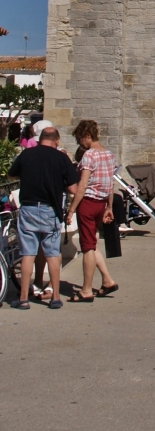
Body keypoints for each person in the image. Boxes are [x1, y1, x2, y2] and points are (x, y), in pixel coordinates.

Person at [7, 124, 78, 309]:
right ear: (57, 140)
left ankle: (23, 298)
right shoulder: (61, 158)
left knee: (28, 254)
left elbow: (10, 175)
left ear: (39, 139)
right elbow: (73, 188)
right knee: (53, 253)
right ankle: (55, 297)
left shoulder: (26, 155)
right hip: (50, 210)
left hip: (29, 207)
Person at [65, 120, 118, 301]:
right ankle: (107, 280)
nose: (80, 142)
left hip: (88, 203)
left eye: (80, 138)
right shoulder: (109, 155)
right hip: (101, 202)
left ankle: (86, 290)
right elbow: (110, 183)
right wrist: (109, 207)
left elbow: (82, 186)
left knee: (87, 247)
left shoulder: (89, 155)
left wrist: (71, 210)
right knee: (92, 243)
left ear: (87, 135)